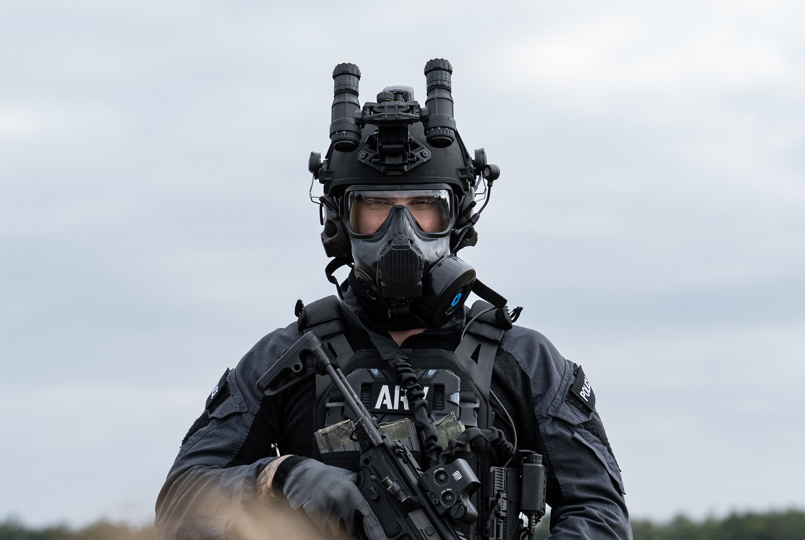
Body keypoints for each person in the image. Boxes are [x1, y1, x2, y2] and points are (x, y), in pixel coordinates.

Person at [155, 59, 632, 540]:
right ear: (340, 220)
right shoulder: (289, 358)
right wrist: (278, 479)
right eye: (376, 207)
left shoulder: (522, 361)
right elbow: (179, 504)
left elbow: (601, 514)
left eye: (425, 207)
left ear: (458, 217)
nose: (400, 234)